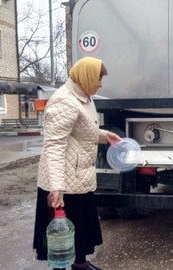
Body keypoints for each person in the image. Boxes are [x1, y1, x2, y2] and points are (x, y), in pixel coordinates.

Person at [33, 56, 121, 270]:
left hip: (78, 177)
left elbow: (81, 131)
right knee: (62, 235)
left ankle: (80, 264)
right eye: (99, 79)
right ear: (87, 77)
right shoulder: (65, 100)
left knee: (80, 228)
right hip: (63, 182)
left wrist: (105, 135)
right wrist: (57, 187)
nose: (101, 84)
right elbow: (53, 145)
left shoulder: (83, 96)